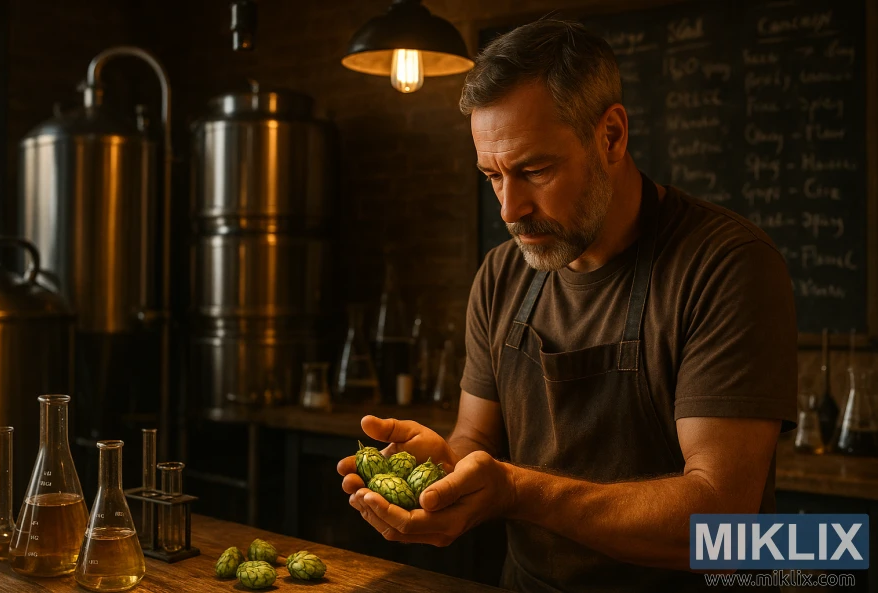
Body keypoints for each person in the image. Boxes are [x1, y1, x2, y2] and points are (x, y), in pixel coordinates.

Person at [337, 18, 797, 593]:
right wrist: (442, 470)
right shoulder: (501, 274)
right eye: (492, 176)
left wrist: (517, 491)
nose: (509, 209)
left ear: (611, 136)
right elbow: (475, 440)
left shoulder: (725, 266)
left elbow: (723, 521)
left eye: (534, 170)